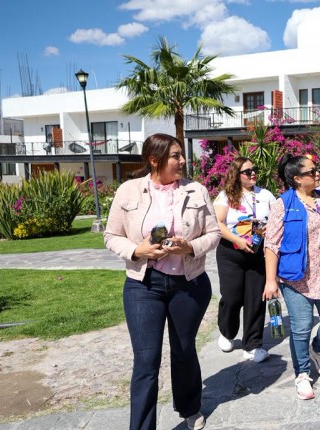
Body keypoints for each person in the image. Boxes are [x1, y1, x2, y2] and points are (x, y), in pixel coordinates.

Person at [104, 133, 221, 430]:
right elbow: (111, 236)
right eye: (175, 156)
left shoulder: (196, 190)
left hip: (188, 282)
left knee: (183, 350)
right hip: (144, 284)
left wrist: (190, 248)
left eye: (182, 155)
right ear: (154, 160)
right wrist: (136, 250)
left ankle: (189, 406)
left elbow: (214, 233)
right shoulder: (129, 191)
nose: (182, 161)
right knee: (146, 362)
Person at [263, 155, 320, 400]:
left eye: (316, 170)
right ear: (296, 178)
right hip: (297, 278)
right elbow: (271, 244)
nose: (317, 174)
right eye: (312, 172)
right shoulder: (283, 204)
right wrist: (271, 280)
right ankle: (302, 373)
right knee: (301, 328)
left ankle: (319, 350)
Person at [213, 157, 276, 363]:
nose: (253, 174)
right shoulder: (226, 196)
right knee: (232, 298)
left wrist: (269, 227)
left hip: (257, 253)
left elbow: (276, 219)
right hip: (231, 252)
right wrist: (236, 240)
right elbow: (218, 223)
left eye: (254, 170)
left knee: (255, 300)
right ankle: (227, 331)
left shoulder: (265, 195)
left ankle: (252, 345)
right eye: (247, 171)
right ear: (236, 175)